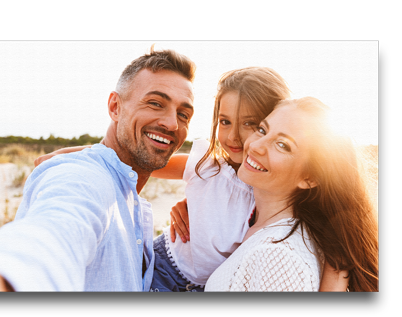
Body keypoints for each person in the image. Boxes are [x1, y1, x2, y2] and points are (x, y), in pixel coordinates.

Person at [36, 68, 349, 292]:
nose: (236, 136)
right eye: (224, 122)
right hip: (165, 266)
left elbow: (338, 242)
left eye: (253, 124)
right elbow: (138, 159)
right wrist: (75, 155)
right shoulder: (208, 166)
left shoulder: (269, 190)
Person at [0, 45, 197, 291]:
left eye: (184, 114)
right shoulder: (86, 178)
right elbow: (57, 230)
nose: (172, 123)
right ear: (115, 107)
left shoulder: (129, 195)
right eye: (155, 103)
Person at [205, 97, 379, 291]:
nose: (255, 146)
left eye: (282, 145)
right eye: (262, 130)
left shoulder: (277, 257)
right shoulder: (253, 220)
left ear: (310, 178)